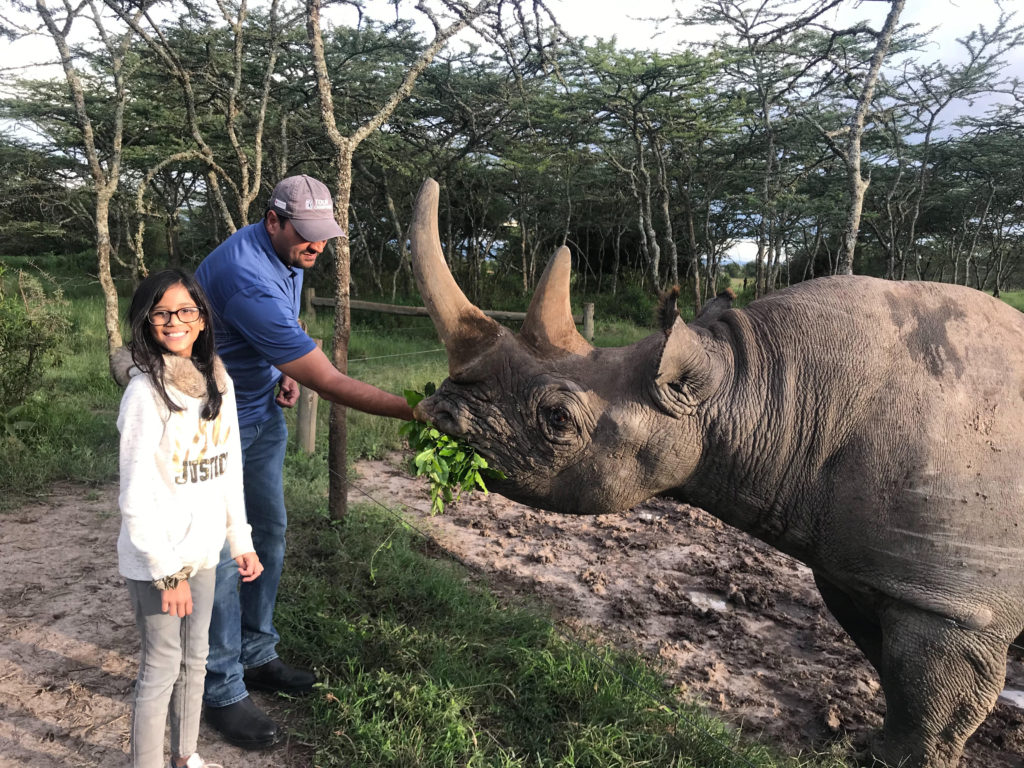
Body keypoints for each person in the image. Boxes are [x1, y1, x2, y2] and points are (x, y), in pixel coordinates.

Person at [195, 174, 415, 749]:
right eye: (306, 236)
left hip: (261, 407)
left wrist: (279, 372)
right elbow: (332, 382)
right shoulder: (245, 275)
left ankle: (255, 652)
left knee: (267, 529)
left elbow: (286, 334)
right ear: (272, 218)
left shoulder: (287, 255)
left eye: (324, 237)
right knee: (222, 548)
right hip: (216, 423)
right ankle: (219, 687)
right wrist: (420, 411)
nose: (316, 248)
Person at [117, 269, 263, 768]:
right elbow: (134, 497)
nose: (174, 321)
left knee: (196, 660)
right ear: (145, 320)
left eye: (186, 311)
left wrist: (239, 539)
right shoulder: (145, 395)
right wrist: (166, 571)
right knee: (161, 666)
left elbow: (229, 470)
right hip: (160, 560)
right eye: (162, 312)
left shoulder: (218, 381)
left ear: (202, 319)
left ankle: (185, 756)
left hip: (204, 552)